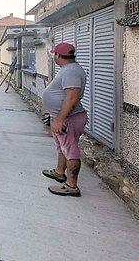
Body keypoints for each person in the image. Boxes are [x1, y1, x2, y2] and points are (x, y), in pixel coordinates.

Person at [41, 42, 87, 197]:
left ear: (58, 56)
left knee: (71, 150)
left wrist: (60, 120)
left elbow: (72, 97)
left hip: (69, 119)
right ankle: (60, 172)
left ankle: (71, 185)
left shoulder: (71, 72)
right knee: (63, 147)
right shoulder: (69, 69)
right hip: (61, 117)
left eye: (54, 54)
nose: (53, 56)